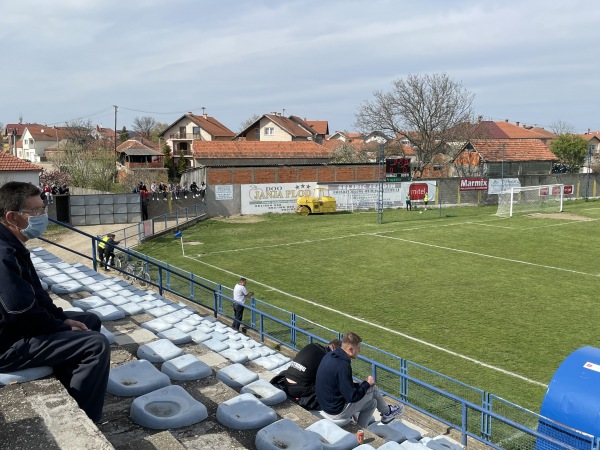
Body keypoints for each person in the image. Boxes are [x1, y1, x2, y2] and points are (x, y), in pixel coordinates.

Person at [0, 181, 110, 422]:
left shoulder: (12, 244)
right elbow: (21, 309)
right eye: (36, 212)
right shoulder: (3, 253)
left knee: (89, 319)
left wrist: (62, 318)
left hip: (15, 329)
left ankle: (72, 382)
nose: (43, 216)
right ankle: (84, 419)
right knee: (95, 345)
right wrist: (60, 327)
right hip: (6, 343)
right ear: (12, 217)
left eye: (43, 208)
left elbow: (38, 295)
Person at [315, 331, 404, 428]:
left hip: (326, 405)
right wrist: (367, 383)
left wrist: (362, 384)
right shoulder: (343, 366)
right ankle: (387, 412)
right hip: (335, 411)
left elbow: (342, 386)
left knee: (372, 403)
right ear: (350, 349)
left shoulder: (330, 356)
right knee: (372, 389)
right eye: (358, 348)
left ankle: (361, 430)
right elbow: (352, 397)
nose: (359, 351)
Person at [271, 339, 341, 410]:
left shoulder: (312, 345)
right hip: (297, 389)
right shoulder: (328, 358)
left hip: (284, 381)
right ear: (334, 349)